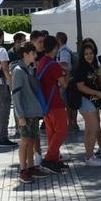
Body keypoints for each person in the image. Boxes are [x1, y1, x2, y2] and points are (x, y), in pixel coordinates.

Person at [11, 42, 49, 183]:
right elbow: (16, 95)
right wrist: (20, 115)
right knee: (25, 141)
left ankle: (30, 167)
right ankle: (23, 170)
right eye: (32, 53)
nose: (35, 55)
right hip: (25, 113)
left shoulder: (27, 69)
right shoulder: (18, 71)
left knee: (32, 141)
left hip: (32, 112)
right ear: (25, 54)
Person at [37, 36, 69, 171]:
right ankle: (49, 158)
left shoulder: (42, 61)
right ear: (55, 48)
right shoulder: (54, 65)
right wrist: (67, 75)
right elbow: (64, 84)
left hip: (45, 103)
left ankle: (54, 159)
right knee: (62, 131)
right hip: (55, 103)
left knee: (52, 132)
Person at [73, 41, 101, 167]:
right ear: (82, 55)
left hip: (90, 101)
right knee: (94, 129)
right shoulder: (81, 67)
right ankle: (90, 157)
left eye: (91, 53)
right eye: (86, 54)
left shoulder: (91, 66)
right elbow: (80, 86)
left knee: (89, 130)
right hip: (86, 101)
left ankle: (89, 156)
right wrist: (96, 93)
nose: (89, 56)